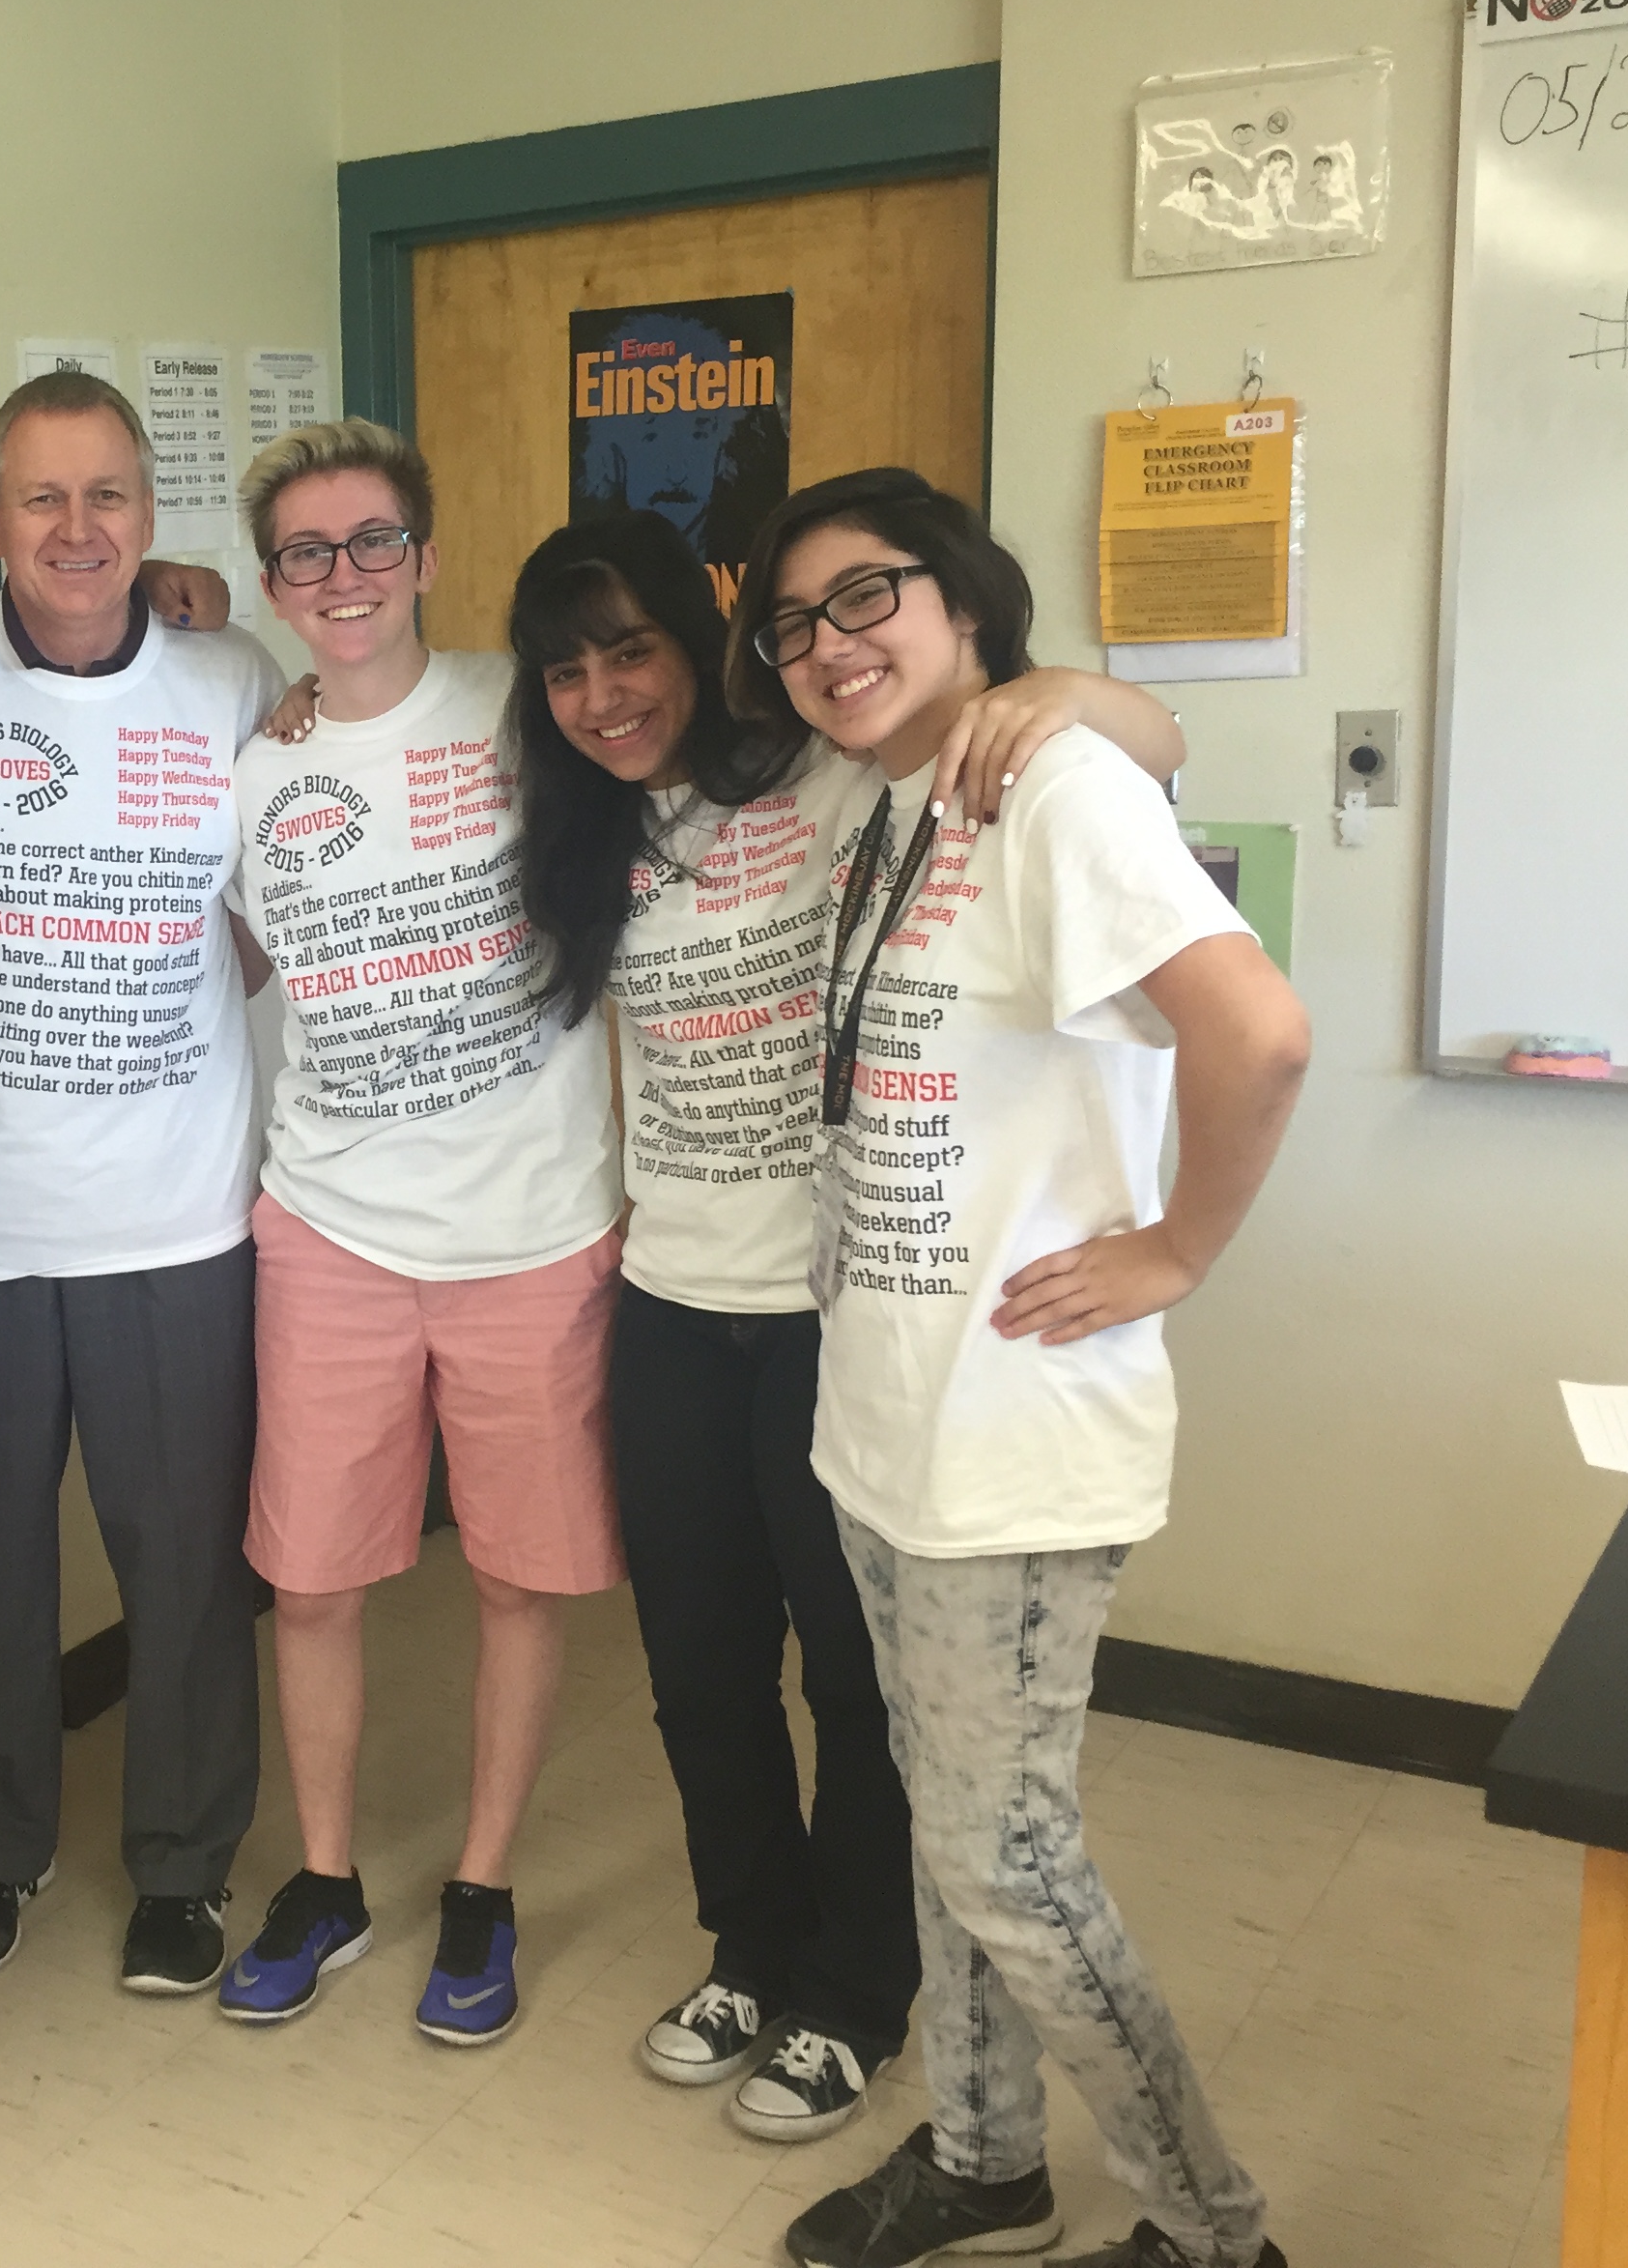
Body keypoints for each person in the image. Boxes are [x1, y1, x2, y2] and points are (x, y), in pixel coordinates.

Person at [504, 506, 1191, 2144]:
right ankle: (748, 1949)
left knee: (857, 1684)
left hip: (831, 1312)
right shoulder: (588, 831)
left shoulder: (835, 775)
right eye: (567, 673)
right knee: (700, 1670)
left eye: (633, 651)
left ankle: (855, 1989)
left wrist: (1063, 692)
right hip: (671, 1309)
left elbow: (1147, 739)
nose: (604, 696)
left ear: (703, 647)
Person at [747, 472, 1306, 2268]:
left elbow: (1258, 1033)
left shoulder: (1055, 785)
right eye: (794, 621)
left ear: (966, 603)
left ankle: (1216, 2233)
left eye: (867, 596)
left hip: (1015, 1432)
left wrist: (1177, 1249)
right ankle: (987, 2160)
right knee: (951, 1832)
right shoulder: (895, 796)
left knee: (1010, 1859)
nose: (829, 644)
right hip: (892, 1420)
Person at [208, 418, 625, 2047]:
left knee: (519, 1583)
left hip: (537, 1232)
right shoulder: (255, 760)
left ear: (427, 557)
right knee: (312, 1582)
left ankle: (483, 1886)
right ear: (272, 585)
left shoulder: (533, 712)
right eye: (307, 553)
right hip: (333, 1229)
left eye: (374, 541)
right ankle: (325, 1882)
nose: (346, 576)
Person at [0, 370, 287, 1994]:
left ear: (149, 513)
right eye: (41, 497)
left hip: (177, 1216)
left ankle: (184, 1862)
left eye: (107, 494)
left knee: (184, 1562)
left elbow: (286, 897)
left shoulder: (232, 677)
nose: (76, 527)